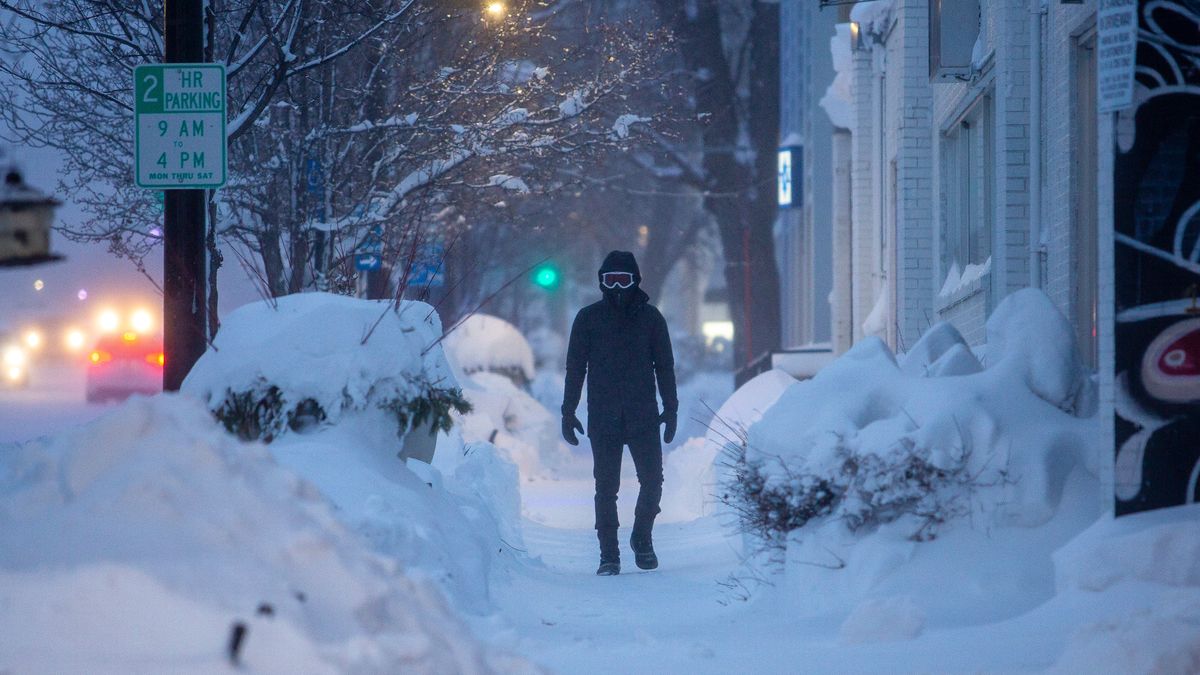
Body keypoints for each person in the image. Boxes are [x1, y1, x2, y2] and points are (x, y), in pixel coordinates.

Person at [561, 250, 678, 576]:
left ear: (635, 281)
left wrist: (671, 408)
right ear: (601, 282)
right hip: (603, 416)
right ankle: (608, 555)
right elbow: (575, 369)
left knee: (653, 480)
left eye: (622, 280)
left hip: (643, 415)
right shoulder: (588, 318)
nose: (616, 288)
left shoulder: (651, 319)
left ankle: (642, 539)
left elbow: (665, 367)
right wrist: (568, 411)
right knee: (606, 488)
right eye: (609, 280)